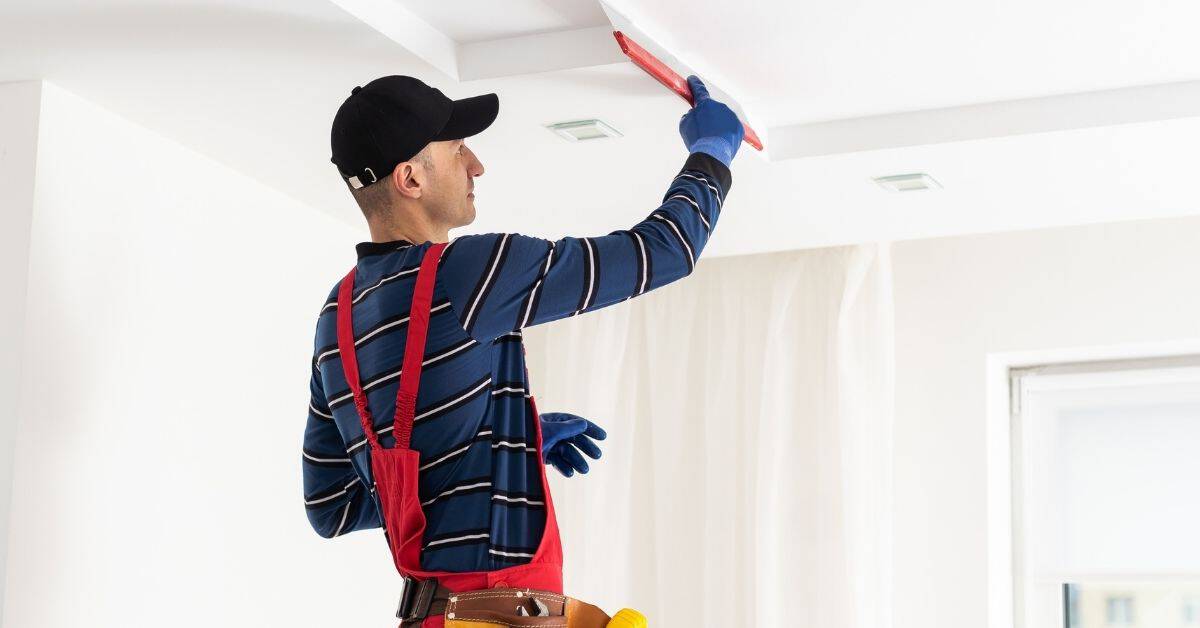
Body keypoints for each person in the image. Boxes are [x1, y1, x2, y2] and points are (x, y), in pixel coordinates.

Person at [302, 74, 742, 627]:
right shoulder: (468, 274)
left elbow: (332, 506)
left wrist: (510, 450)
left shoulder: (336, 315)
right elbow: (665, 251)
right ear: (409, 178)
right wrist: (711, 155)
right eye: (458, 149)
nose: (476, 166)